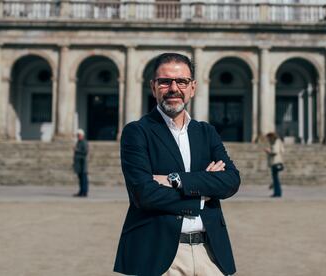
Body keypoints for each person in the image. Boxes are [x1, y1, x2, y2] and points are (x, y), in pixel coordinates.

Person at [114, 53, 241, 276]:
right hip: (159, 256)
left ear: (192, 87)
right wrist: (203, 193)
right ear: (153, 87)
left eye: (181, 81)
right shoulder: (137, 132)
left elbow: (230, 181)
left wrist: (176, 180)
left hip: (209, 254)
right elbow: (144, 193)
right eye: (165, 81)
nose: (174, 88)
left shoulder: (206, 132)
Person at [264, 132, 284, 198]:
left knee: (275, 179)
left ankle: (277, 193)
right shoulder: (277, 141)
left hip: (275, 162)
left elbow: (275, 151)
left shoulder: (276, 141)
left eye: (268, 138)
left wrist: (268, 151)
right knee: (275, 178)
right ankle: (277, 192)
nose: (268, 139)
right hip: (275, 162)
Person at [73, 129, 89, 197]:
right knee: (80, 179)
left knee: (84, 179)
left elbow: (85, 152)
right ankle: (81, 191)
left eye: (79, 135)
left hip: (82, 164)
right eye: (77, 135)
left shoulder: (84, 142)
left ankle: (84, 192)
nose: (78, 136)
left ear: (82, 135)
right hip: (79, 164)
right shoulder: (79, 142)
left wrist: (76, 150)